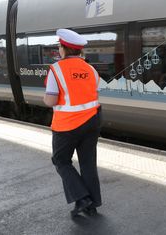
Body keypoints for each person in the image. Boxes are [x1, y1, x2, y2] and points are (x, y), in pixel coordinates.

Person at [43, 29, 102, 218]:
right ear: (78, 51)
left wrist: (45, 99)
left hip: (67, 125)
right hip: (92, 121)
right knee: (88, 163)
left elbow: (51, 100)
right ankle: (92, 204)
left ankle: (82, 198)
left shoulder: (57, 69)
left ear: (63, 49)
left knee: (60, 161)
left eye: (60, 47)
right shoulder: (90, 69)